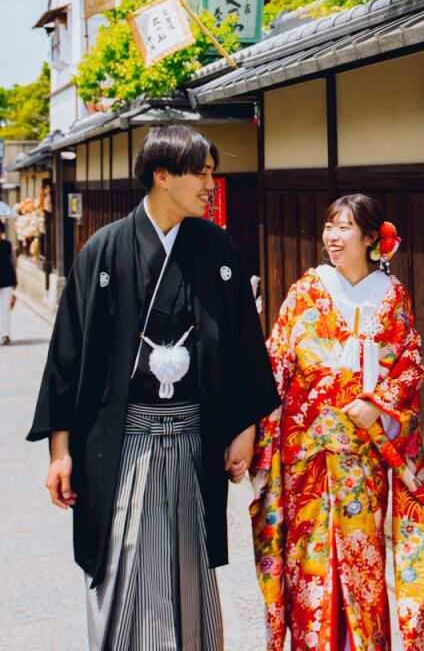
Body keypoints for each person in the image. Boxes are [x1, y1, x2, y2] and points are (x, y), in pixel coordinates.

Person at [28, 123, 279, 650]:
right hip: (120, 442)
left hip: (193, 440)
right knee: (125, 557)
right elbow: (67, 356)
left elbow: (241, 345)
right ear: (162, 176)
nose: (212, 185)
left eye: (213, 173)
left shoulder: (217, 249)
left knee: (186, 566)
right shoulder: (105, 250)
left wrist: (245, 427)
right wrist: (60, 450)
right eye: (202, 174)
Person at [250, 194, 424, 651]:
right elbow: (274, 364)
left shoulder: (391, 295)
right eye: (329, 227)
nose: (332, 238)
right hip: (307, 461)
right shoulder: (306, 291)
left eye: (344, 228)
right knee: (308, 567)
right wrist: (251, 436)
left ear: (372, 238)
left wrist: (378, 403)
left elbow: (411, 363)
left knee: (363, 566)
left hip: (362, 460)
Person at [0, 221, 16, 345]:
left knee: (5, 308)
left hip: (7, 281)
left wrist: (15, 280)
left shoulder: (7, 245)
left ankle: (5, 334)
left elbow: (12, 263)